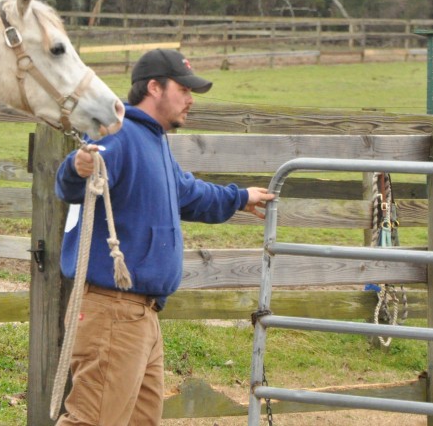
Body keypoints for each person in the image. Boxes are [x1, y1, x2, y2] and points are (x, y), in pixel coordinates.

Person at [53, 48, 275, 426]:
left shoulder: (154, 142)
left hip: (141, 316)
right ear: (154, 87)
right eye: (184, 89)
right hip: (114, 313)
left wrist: (240, 198)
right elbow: (73, 181)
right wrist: (76, 167)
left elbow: (188, 193)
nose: (190, 99)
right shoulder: (118, 133)